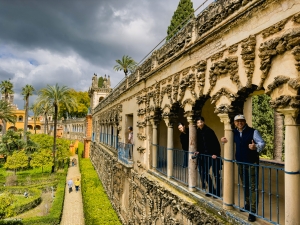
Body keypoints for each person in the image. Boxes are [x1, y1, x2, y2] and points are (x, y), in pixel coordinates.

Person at [221, 114, 265, 222]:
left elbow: (262, 143)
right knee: (245, 184)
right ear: (234, 123)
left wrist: (256, 147)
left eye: (241, 121)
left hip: (251, 163)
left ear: (245, 121)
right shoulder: (234, 132)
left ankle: (252, 212)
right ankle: (247, 204)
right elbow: (228, 141)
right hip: (240, 163)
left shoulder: (253, 131)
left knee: (253, 186)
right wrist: (224, 140)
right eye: (237, 121)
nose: (239, 123)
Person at [194, 117, 221, 198]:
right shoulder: (198, 131)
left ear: (204, 122)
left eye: (201, 122)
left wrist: (215, 153)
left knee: (216, 174)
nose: (200, 124)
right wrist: (198, 150)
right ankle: (212, 190)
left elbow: (216, 143)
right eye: (198, 122)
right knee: (205, 173)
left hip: (213, 155)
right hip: (205, 156)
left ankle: (218, 193)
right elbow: (199, 143)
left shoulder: (209, 131)